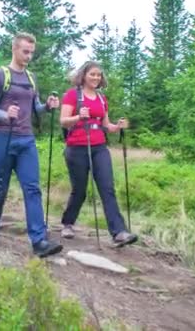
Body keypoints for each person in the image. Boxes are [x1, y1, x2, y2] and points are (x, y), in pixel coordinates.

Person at [0, 32, 63, 258]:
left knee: (32, 188)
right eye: (25, 51)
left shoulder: (31, 78)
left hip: (26, 139)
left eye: (31, 53)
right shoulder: (0, 75)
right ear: (14, 49)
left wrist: (47, 106)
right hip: (2, 137)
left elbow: (34, 107)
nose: (28, 56)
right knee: (0, 186)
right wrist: (4, 114)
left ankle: (39, 240)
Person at [58, 60, 138, 247]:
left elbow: (105, 125)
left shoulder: (102, 99)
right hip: (77, 147)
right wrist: (79, 116)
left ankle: (119, 232)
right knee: (79, 190)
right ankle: (68, 223)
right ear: (84, 75)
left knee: (107, 188)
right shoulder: (72, 95)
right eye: (92, 74)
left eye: (98, 75)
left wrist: (117, 127)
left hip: (99, 147)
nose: (96, 77)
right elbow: (63, 121)